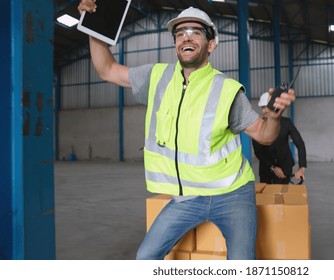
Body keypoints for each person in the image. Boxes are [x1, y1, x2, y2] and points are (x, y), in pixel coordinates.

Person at [77, 2, 295, 260]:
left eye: (195, 32)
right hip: (188, 197)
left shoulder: (226, 90)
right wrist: (93, 24)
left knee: (241, 263)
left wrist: (273, 116)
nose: (186, 37)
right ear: (175, 44)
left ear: (211, 45)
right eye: (180, 33)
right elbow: (107, 70)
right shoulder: (156, 77)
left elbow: (265, 135)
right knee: (145, 258)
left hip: (232, 195)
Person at [252, 92, 306, 184]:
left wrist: (301, 167)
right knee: (267, 197)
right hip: (266, 169)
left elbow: (300, 144)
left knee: (282, 196)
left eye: (267, 107)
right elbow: (258, 152)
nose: (264, 111)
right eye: (263, 107)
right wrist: (273, 168)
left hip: (285, 167)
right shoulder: (258, 126)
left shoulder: (287, 123)